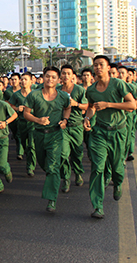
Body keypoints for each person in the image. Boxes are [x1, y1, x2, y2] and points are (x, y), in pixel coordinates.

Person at [84, 55, 136, 219]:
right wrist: (87, 118)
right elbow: (91, 107)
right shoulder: (91, 90)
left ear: (107, 68)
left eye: (101, 65)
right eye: (95, 65)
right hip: (99, 132)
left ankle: (118, 182)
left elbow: (132, 105)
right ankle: (98, 206)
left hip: (118, 131)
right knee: (97, 167)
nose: (98, 67)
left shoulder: (118, 84)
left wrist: (109, 105)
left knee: (117, 167)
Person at [23, 66, 71, 212]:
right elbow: (26, 114)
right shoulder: (34, 95)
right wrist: (38, 120)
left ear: (58, 80)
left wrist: (65, 120)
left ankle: (51, 199)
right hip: (38, 134)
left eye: (54, 77)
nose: (50, 79)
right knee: (44, 164)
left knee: (52, 167)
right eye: (48, 76)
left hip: (55, 134)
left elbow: (68, 108)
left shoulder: (63, 96)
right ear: (43, 77)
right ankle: (61, 172)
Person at [58, 65, 88, 193]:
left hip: (76, 126)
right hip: (62, 127)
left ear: (72, 76)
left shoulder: (80, 90)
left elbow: (87, 106)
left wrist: (77, 104)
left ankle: (78, 172)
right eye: (63, 73)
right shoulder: (57, 90)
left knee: (77, 153)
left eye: (68, 73)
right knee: (63, 154)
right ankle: (66, 178)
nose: (65, 76)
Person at [9, 72, 37, 176]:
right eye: (22, 79)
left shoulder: (35, 93)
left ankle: (30, 167)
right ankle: (28, 156)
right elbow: (9, 105)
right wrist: (16, 108)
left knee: (31, 145)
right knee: (24, 144)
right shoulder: (16, 95)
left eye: (25, 79)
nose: (23, 81)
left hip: (32, 122)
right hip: (21, 123)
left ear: (31, 81)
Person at [118, 66, 137, 162]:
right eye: (118, 73)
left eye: (122, 73)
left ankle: (125, 156)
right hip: (115, 117)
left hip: (127, 115)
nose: (120, 75)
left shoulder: (131, 87)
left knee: (127, 137)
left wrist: (128, 107)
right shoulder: (111, 87)